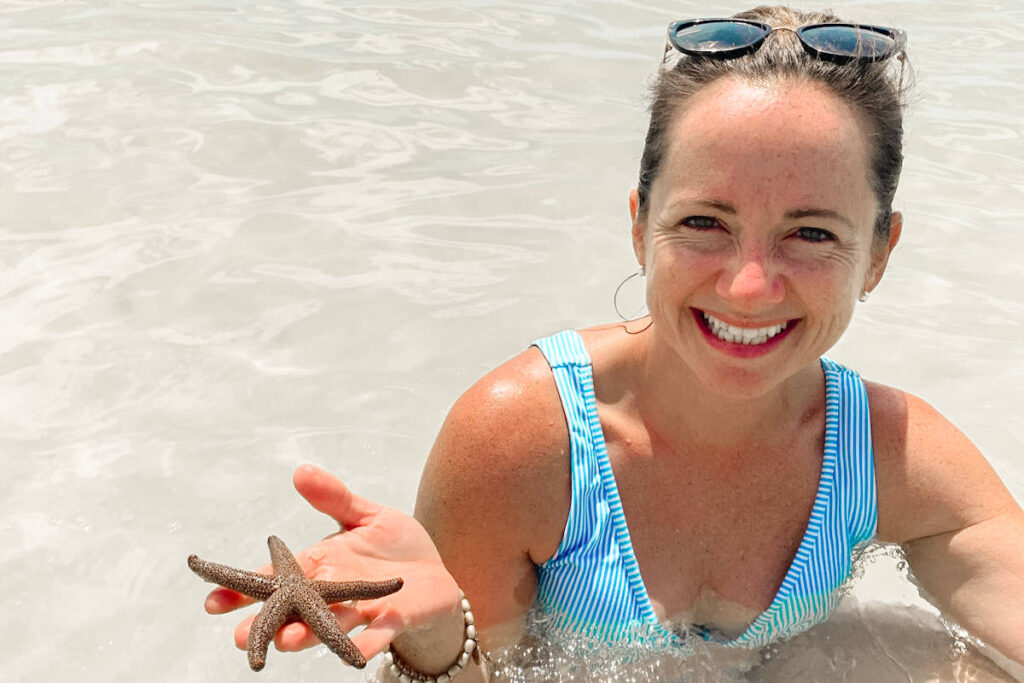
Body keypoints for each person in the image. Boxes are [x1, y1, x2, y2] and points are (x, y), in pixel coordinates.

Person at [200, 5, 1024, 680]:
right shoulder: (523, 442)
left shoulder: (888, 453)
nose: (749, 285)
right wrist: (434, 643)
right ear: (639, 228)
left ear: (879, 253)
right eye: (705, 222)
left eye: (811, 233)